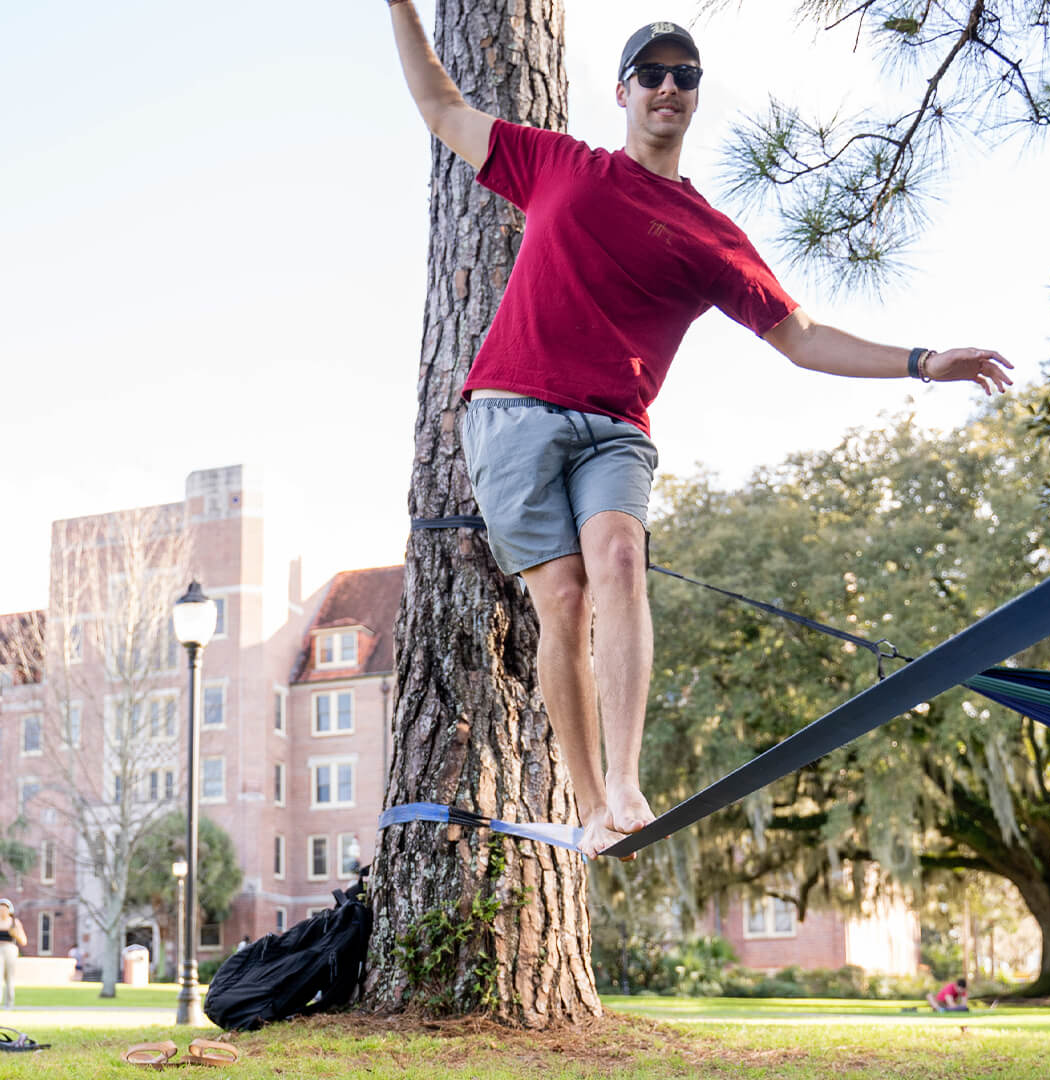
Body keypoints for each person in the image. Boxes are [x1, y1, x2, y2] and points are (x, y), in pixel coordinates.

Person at [385, 5, 1014, 859]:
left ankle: (624, 782)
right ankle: (588, 803)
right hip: (515, 410)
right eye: (653, 74)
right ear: (624, 92)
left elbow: (802, 339)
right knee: (563, 602)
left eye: (686, 76)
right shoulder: (556, 163)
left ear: (695, 97)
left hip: (616, 428)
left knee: (619, 560)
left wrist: (922, 359)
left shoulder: (710, 234)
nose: (669, 87)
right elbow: (441, 107)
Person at [0, 899, 28, 1008]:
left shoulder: (14, 922)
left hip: (9, 948)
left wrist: (15, 934)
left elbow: (23, 941)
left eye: (4, 908)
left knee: (9, 977)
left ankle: (9, 1003)